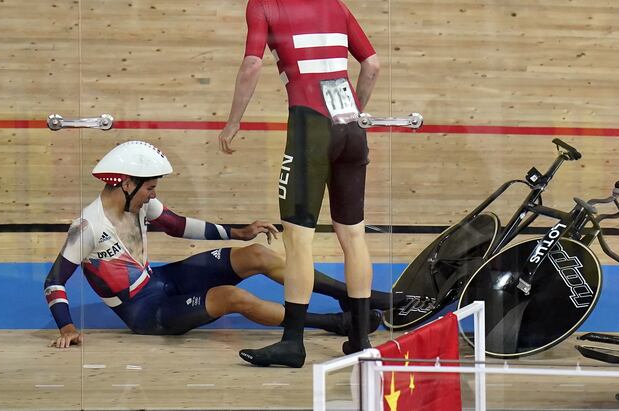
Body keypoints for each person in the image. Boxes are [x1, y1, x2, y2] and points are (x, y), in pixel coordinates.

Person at [44, 140, 390, 349]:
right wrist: (68, 327)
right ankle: (335, 323)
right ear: (127, 184)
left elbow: (179, 226)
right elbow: (55, 280)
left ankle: (347, 295)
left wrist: (236, 233)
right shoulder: (88, 227)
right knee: (231, 297)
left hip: (160, 281)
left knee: (254, 254)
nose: (154, 194)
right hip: (143, 311)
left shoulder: (141, 204)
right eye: (150, 187)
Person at [219, 0, 382, 368]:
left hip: (310, 126)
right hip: (351, 126)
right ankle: (362, 341)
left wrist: (233, 120)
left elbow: (252, 64)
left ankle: (293, 342)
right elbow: (373, 65)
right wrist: (356, 114)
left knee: (299, 239)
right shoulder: (333, 2)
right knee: (354, 236)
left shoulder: (263, 4)